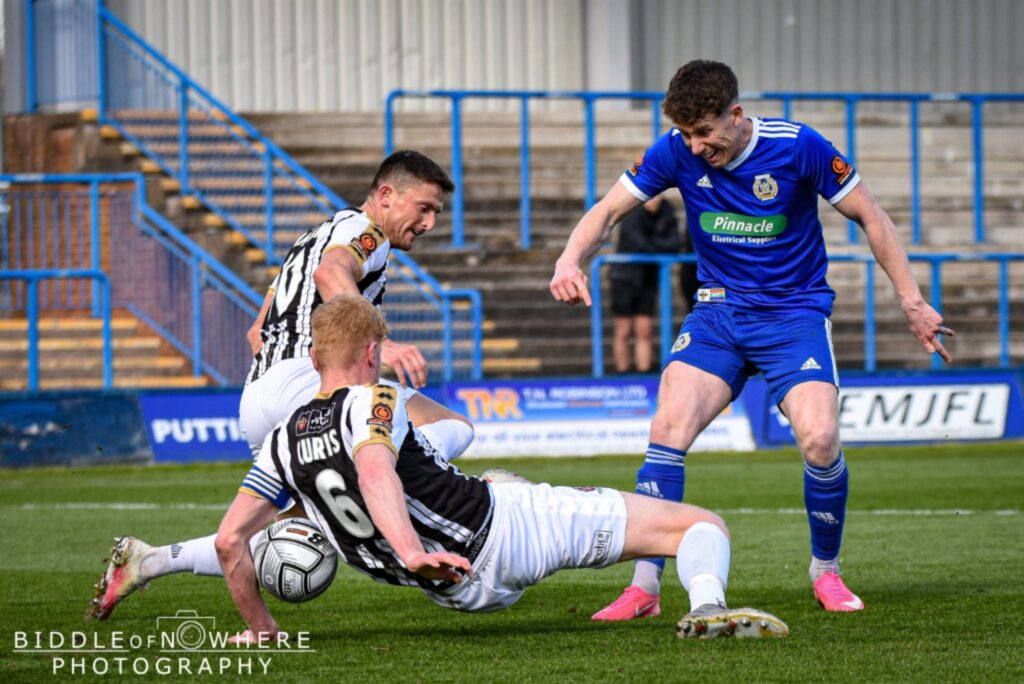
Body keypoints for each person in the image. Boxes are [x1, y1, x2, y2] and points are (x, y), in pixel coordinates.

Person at [550, 60, 954, 619]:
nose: (694, 148)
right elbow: (608, 211)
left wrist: (912, 300)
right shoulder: (673, 149)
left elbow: (871, 216)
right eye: (686, 135)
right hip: (718, 314)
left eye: (705, 134)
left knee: (819, 439)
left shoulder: (799, 147)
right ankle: (645, 588)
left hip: (794, 316)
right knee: (667, 430)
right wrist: (570, 259)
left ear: (735, 115)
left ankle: (826, 572)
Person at [215, 294, 789, 642]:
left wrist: (263, 628)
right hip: (507, 532)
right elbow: (374, 473)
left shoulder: (280, 443)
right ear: (373, 354)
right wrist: (413, 549)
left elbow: (227, 541)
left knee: (479, 480)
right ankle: (709, 608)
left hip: (453, 589)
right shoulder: (377, 399)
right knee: (699, 525)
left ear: (313, 359)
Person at [87, 151, 476, 620]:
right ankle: (470, 500)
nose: (431, 222)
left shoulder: (307, 240)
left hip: (259, 396)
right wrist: (380, 342)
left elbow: (257, 331)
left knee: (287, 523)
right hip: (307, 381)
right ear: (387, 196)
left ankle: (149, 561)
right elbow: (331, 273)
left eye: (437, 212)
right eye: (425, 207)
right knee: (453, 427)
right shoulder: (366, 233)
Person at [610, 193, 680, 374]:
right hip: (625, 277)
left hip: (649, 275)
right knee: (624, 330)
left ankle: (643, 372)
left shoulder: (667, 210)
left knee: (645, 329)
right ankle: (622, 374)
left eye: (657, 196)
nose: (654, 200)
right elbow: (639, 244)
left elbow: (674, 244)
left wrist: (654, 246)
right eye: (651, 197)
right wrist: (660, 246)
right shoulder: (632, 212)